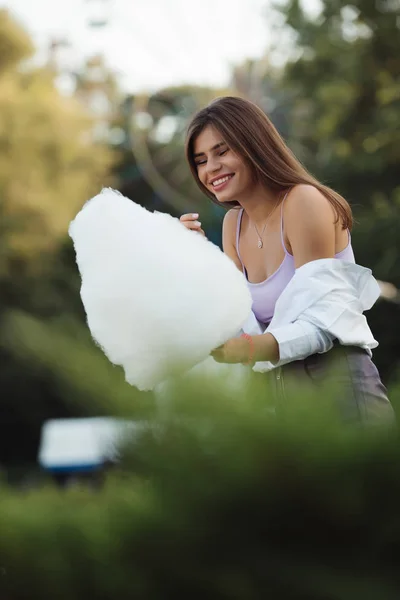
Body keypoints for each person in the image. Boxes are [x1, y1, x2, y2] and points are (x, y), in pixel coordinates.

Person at [180, 96, 394, 424]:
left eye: (222, 151)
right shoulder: (233, 226)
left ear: (253, 144)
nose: (211, 168)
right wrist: (192, 258)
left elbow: (325, 323)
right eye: (200, 160)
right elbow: (235, 322)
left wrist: (249, 349)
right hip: (285, 404)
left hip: (342, 396)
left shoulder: (303, 202)